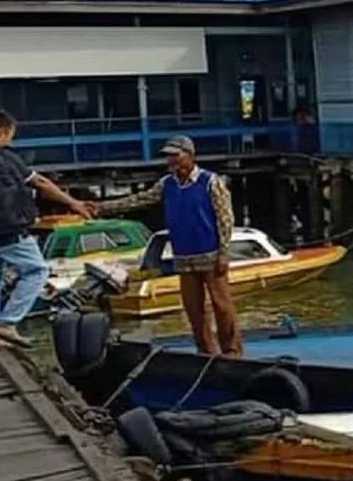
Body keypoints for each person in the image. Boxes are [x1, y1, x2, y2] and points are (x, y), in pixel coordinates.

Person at [0, 109, 93, 349]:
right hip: (9, 227)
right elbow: (40, 183)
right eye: (11, 135)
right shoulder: (5, 157)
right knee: (37, 271)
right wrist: (73, 203)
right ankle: (7, 322)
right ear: (2, 132)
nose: (11, 140)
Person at [93, 135, 243, 356]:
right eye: (169, 156)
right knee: (193, 309)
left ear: (190, 155)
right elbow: (139, 200)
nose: (172, 161)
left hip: (210, 254)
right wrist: (102, 208)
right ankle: (206, 351)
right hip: (183, 256)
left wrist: (224, 253)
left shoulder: (211, 182)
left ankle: (232, 350)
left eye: (176, 155)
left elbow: (226, 219)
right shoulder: (167, 183)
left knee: (222, 306)